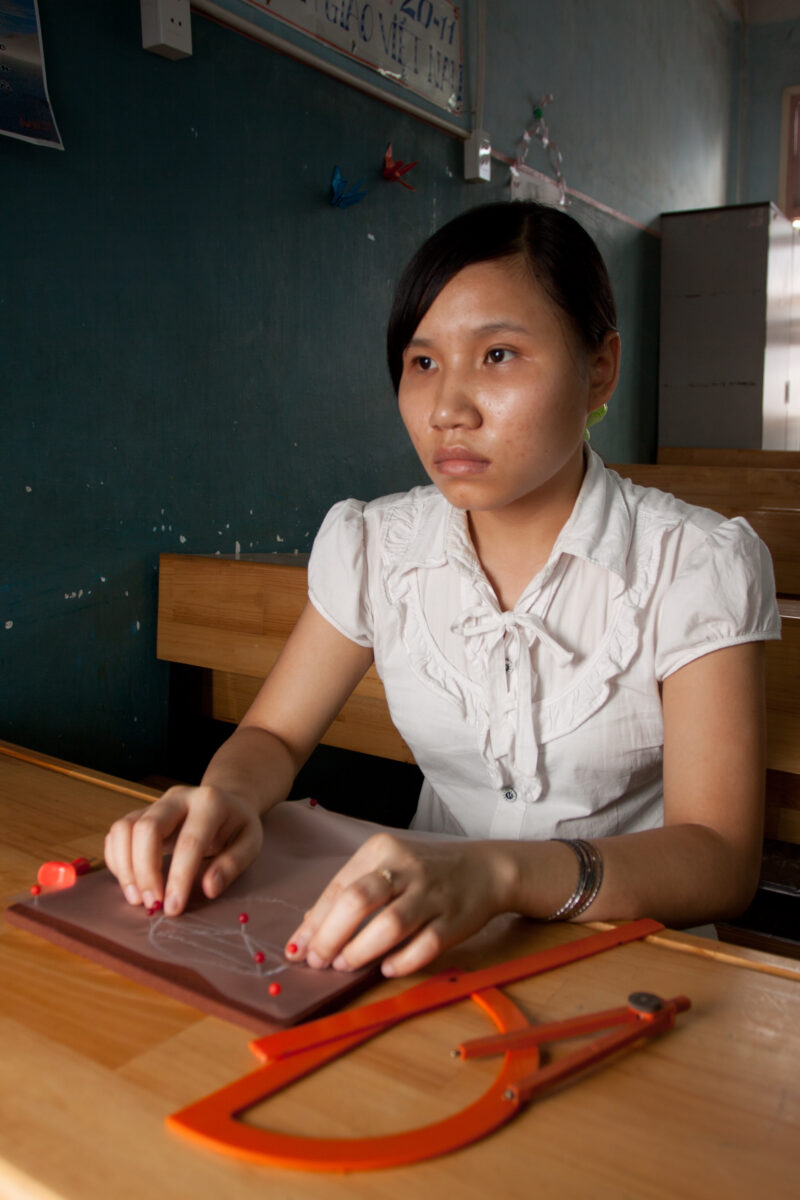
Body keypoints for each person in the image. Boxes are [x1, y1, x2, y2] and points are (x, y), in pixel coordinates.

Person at [105, 201, 780, 978]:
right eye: (422, 363)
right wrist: (225, 796)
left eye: (498, 355)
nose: (448, 411)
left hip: (631, 957)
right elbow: (273, 738)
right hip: (424, 939)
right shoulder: (377, 547)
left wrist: (497, 875)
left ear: (600, 367)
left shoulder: (692, 563)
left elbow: (720, 860)